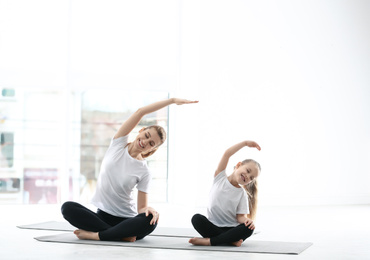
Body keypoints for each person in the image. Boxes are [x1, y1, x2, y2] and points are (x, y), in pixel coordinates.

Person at [61, 98, 198, 242]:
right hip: (101, 216)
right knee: (67, 208)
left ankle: (98, 235)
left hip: (126, 220)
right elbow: (140, 112)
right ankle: (119, 235)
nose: (145, 142)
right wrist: (172, 101)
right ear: (141, 130)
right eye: (146, 136)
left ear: (153, 148)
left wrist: (148, 210)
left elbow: (141, 208)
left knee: (151, 219)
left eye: (151, 143)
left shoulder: (145, 171)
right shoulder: (118, 144)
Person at [189, 140, 261, 247]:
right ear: (238, 165)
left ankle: (209, 241)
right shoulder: (220, 177)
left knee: (248, 229)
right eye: (248, 170)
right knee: (196, 218)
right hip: (212, 225)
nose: (247, 176)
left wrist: (247, 221)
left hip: (231, 228)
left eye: (251, 178)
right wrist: (245, 143)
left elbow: (240, 217)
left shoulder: (242, 194)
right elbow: (227, 154)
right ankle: (230, 240)